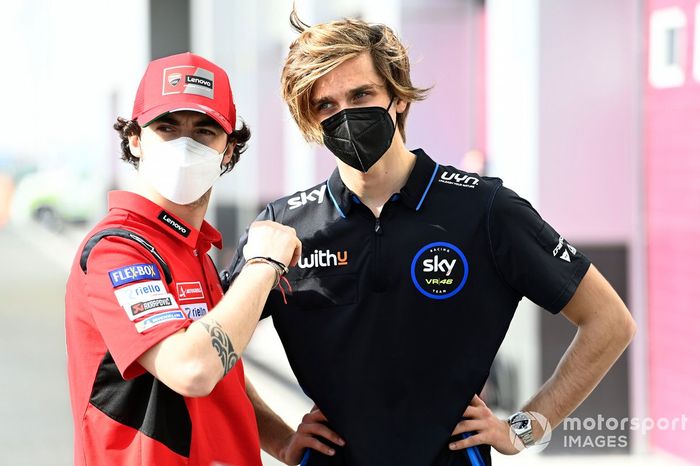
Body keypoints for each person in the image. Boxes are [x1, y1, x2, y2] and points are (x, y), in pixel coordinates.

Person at [224, 13, 637, 466]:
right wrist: (279, 439)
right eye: (326, 105)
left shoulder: (485, 209)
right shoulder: (284, 227)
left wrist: (523, 428)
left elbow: (609, 322)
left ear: (398, 96)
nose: (346, 115)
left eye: (361, 94)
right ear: (310, 118)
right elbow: (211, 348)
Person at [65, 52, 344, 466]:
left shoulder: (194, 250)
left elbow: (221, 364)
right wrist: (263, 266)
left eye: (204, 131)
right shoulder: (116, 249)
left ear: (228, 151)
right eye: (167, 127)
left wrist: (283, 441)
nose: (185, 145)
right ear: (135, 139)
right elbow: (193, 369)